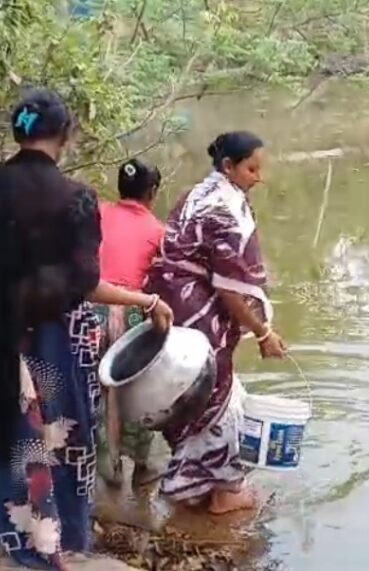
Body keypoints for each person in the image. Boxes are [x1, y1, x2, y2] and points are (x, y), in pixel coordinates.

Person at [0, 89, 173, 571]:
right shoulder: (76, 199)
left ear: (17, 134)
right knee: (59, 437)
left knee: (5, 434)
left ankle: (16, 533)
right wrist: (146, 300)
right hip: (51, 346)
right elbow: (85, 285)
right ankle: (62, 540)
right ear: (64, 137)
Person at [146, 131, 287, 514]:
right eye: (251, 169)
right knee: (216, 394)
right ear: (229, 166)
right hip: (197, 312)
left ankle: (192, 484)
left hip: (167, 304)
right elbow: (229, 290)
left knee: (193, 393)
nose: (258, 177)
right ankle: (225, 492)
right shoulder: (225, 210)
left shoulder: (197, 193)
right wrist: (263, 332)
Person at [94, 158, 166, 488]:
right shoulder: (157, 230)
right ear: (152, 192)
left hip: (89, 311)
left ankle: (106, 468)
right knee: (139, 389)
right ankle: (142, 466)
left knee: (95, 391)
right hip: (133, 310)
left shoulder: (95, 213)